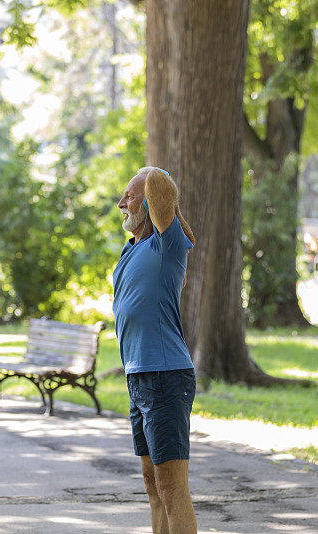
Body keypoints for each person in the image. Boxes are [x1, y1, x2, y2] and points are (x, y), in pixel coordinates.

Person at [112, 166, 198, 534]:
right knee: (152, 485)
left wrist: (145, 178)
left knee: (171, 487)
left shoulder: (170, 244)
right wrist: (138, 192)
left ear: (148, 203)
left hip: (165, 375)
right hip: (138, 375)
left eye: (129, 197)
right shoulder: (131, 249)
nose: (121, 204)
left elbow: (162, 186)